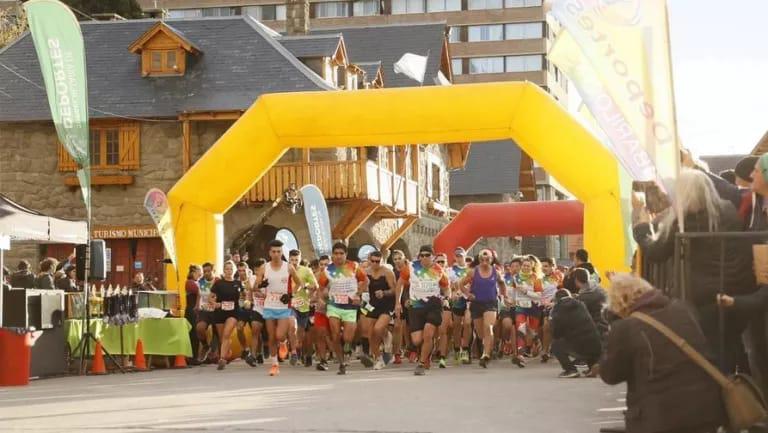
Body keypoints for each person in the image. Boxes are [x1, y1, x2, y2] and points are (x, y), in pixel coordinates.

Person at [633, 168, 755, 374]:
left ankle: (719, 389)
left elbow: (656, 252)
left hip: (701, 296)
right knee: (730, 345)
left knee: (709, 354)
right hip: (737, 289)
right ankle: (739, 387)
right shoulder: (728, 210)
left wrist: (642, 228)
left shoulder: (685, 220)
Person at [600, 274, 726, 433]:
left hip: (660, 418)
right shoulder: (683, 310)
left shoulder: (625, 328)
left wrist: (614, 332)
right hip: (705, 410)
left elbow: (610, 375)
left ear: (619, 303)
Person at [395, 245, 449, 376]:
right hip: (416, 306)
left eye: (427, 255)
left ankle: (421, 363)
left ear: (433, 256)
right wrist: (398, 303)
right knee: (417, 340)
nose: (424, 258)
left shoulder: (438, 270)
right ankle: (427, 352)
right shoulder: (411, 267)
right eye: (422, 255)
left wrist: (447, 298)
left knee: (428, 334)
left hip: (433, 305)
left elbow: (446, 287)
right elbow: (400, 283)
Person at [317, 242, 368, 375]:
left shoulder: (354, 266)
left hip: (350, 307)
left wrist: (358, 294)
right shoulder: (327, 270)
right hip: (334, 306)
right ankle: (341, 363)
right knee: (335, 335)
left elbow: (365, 281)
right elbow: (320, 288)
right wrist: (321, 299)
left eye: (341, 253)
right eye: (336, 254)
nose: (338, 256)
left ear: (346, 254)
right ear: (332, 255)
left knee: (347, 338)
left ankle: (347, 349)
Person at [255, 240, 302, 376]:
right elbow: (255, 286)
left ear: (282, 253)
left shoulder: (288, 267)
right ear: (270, 253)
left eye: (279, 251)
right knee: (271, 337)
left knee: (280, 335)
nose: (276, 254)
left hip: (283, 306)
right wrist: (261, 284)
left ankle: (283, 342)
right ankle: (274, 364)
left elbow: (299, 283)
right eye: (274, 251)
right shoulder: (264, 267)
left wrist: (290, 295)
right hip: (269, 305)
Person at [460, 249, 506, 368]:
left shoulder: (496, 272)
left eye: (487, 259)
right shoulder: (473, 272)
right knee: (481, 334)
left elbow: (502, 284)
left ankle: (486, 355)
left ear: (492, 260)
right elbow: (461, 284)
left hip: (490, 303)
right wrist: (468, 294)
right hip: (476, 304)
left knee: (488, 327)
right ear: (479, 259)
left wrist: (504, 296)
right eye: (482, 259)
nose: (484, 261)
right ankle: (487, 348)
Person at [550, 289, 601, 378]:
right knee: (584, 336)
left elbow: (556, 332)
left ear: (557, 299)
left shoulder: (558, 308)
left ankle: (570, 370)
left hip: (579, 346)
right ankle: (592, 366)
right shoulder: (580, 304)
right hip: (595, 343)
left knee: (555, 345)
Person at [359, 250, 396, 370]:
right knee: (370, 332)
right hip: (372, 304)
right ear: (369, 260)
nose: (375, 263)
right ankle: (378, 357)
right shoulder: (365, 272)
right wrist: (360, 292)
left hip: (387, 304)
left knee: (378, 328)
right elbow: (361, 288)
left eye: (378, 261)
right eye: (373, 261)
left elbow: (394, 290)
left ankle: (386, 340)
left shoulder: (387, 272)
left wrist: (384, 292)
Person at [209, 261, 243, 371]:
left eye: (231, 269)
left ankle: (222, 359)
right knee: (222, 337)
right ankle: (227, 351)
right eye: (227, 269)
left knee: (226, 334)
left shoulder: (238, 283)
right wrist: (215, 303)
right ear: (224, 270)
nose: (229, 271)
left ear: (234, 270)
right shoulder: (219, 283)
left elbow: (243, 297)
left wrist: (245, 301)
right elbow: (210, 297)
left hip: (233, 312)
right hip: (220, 312)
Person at [288, 249, 318, 367]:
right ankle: (294, 353)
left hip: (304, 305)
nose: (294, 262)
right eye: (292, 260)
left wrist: (306, 286)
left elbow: (315, 286)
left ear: (300, 259)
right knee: (292, 326)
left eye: (296, 259)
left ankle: (305, 354)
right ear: (289, 259)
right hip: (290, 304)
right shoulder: (285, 270)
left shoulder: (306, 270)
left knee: (302, 334)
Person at [512, 256, 543, 358]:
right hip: (520, 306)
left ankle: (535, 343)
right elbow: (514, 291)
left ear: (532, 267)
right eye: (524, 265)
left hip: (533, 306)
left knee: (532, 330)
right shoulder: (516, 277)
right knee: (521, 327)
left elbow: (539, 295)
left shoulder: (536, 278)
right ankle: (520, 353)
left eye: (528, 266)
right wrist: (513, 300)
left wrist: (526, 292)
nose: (525, 267)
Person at [572, 267, 608, 347]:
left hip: (595, 328)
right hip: (606, 323)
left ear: (576, 280)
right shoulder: (598, 288)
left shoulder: (584, 297)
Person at [448, 247, 471, 365]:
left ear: (465, 256)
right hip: (457, 300)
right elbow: (449, 285)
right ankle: (457, 350)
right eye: (457, 256)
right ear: (454, 257)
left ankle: (465, 351)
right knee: (457, 326)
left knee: (467, 323)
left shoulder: (470, 269)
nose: (459, 258)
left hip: (468, 300)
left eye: (461, 256)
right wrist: (453, 292)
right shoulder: (451, 270)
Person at [539, 257, 563, 363]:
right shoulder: (538, 278)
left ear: (552, 266)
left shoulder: (558, 277)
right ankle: (544, 347)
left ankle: (545, 351)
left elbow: (562, 292)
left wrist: (553, 302)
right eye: (542, 266)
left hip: (552, 306)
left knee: (546, 326)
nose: (543, 268)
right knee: (539, 330)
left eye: (546, 266)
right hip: (538, 305)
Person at [312, 255, 332, 371]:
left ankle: (344, 353)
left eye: (326, 264)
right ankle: (323, 360)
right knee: (320, 334)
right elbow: (310, 293)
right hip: (320, 310)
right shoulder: (315, 276)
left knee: (333, 336)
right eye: (321, 264)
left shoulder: (337, 275)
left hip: (334, 310)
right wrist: (315, 298)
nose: (324, 267)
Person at [195, 262, 218, 363]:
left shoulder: (218, 281)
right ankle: (205, 346)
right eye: (204, 272)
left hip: (216, 310)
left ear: (213, 271)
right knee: (199, 328)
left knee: (217, 333)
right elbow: (199, 294)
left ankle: (215, 353)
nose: (206, 273)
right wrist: (197, 305)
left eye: (209, 271)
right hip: (204, 310)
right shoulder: (200, 281)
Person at [390, 249, 409, 365]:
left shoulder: (410, 269)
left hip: (411, 299)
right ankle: (396, 353)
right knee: (397, 326)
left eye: (399, 258)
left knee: (410, 327)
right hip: (398, 301)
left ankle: (412, 349)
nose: (397, 261)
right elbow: (394, 288)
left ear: (404, 258)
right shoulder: (392, 272)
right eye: (395, 259)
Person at [433, 253, 453, 369]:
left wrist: (447, 298)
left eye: (442, 262)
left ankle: (442, 357)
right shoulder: (430, 273)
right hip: (432, 304)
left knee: (442, 330)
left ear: (446, 263)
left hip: (445, 303)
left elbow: (453, 288)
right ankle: (435, 349)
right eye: (438, 261)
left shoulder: (450, 274)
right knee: (434, 331)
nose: (440, 263)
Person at [185, 264, 202, 365]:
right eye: (199, 270)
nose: (200, 273)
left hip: (196, 311)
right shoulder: (190, 282)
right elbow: (199, 292)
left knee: (196, 334)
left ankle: (195, 356)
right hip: (191, 311)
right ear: (193, 272)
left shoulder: (197, 282)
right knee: (193, 334)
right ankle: (191, 357)